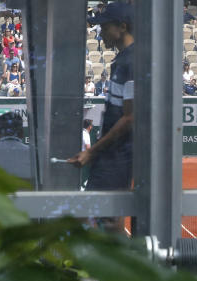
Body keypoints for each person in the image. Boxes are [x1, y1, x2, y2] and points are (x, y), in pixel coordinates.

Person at [67, 2, 135, 235]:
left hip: (118, 155)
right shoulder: (124, 60)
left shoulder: (132, 62)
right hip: (114, 154)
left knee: (98, 216)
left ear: (122, 27)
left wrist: (92, 151)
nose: (101, 32)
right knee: (109, 217)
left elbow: (130, 118)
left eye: (104, 27)